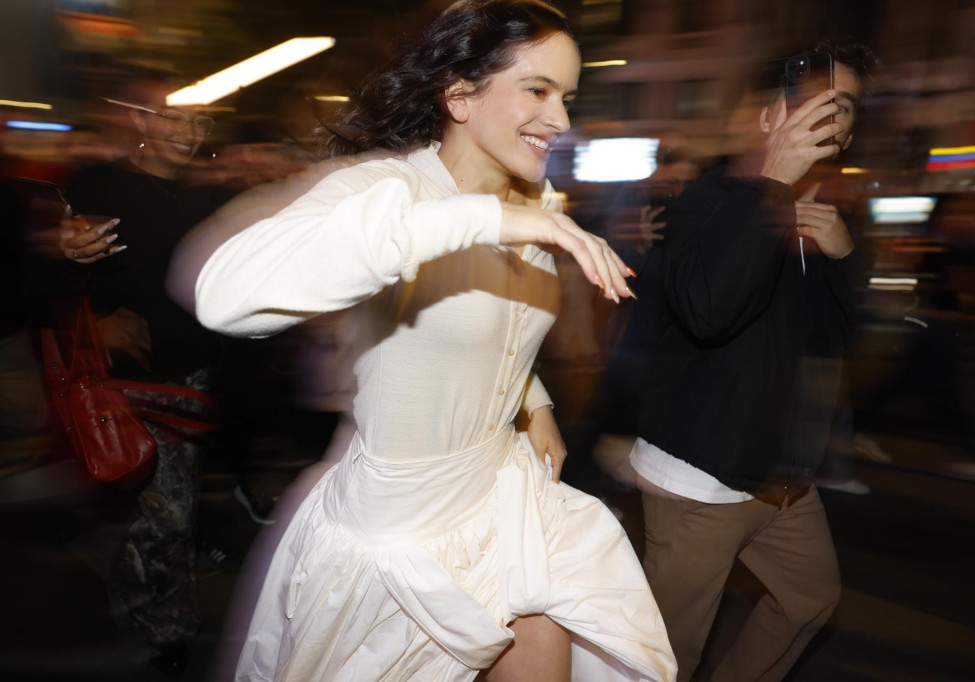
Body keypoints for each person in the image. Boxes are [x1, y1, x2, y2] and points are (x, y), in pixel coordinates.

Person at [183, 1, 675, 680]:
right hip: (399, 533)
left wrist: (534, 404)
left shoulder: (540, 198)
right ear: (460, 94)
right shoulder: (385, 190)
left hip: (502, 492)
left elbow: (491, 320)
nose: (560, 120)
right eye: (538, 90)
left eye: (566, 98)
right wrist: (478, 218)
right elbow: (226, 297)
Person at [630, 39, 876, 681]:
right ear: (771, 116)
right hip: (700, 476)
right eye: (818, 101)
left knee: (808, 599)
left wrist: (845, 255)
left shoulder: (823, 217)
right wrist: (774, 183)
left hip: (782, 476)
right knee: (664, 655)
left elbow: (842, 338)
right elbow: (708, 311)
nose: (834, 117)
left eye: (845, 106)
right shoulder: (709, 200)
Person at [57, 71, 233, 676]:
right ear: (139, 121)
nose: (186, 132)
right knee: (169, 511)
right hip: (130, 378)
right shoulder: (102, 186)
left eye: (197, 120)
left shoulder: (205, 196)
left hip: (195, 373)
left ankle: (137, 591)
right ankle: (167, 626)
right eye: (171, 117)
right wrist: (97, 316)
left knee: (166, 508)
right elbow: (58, 270)